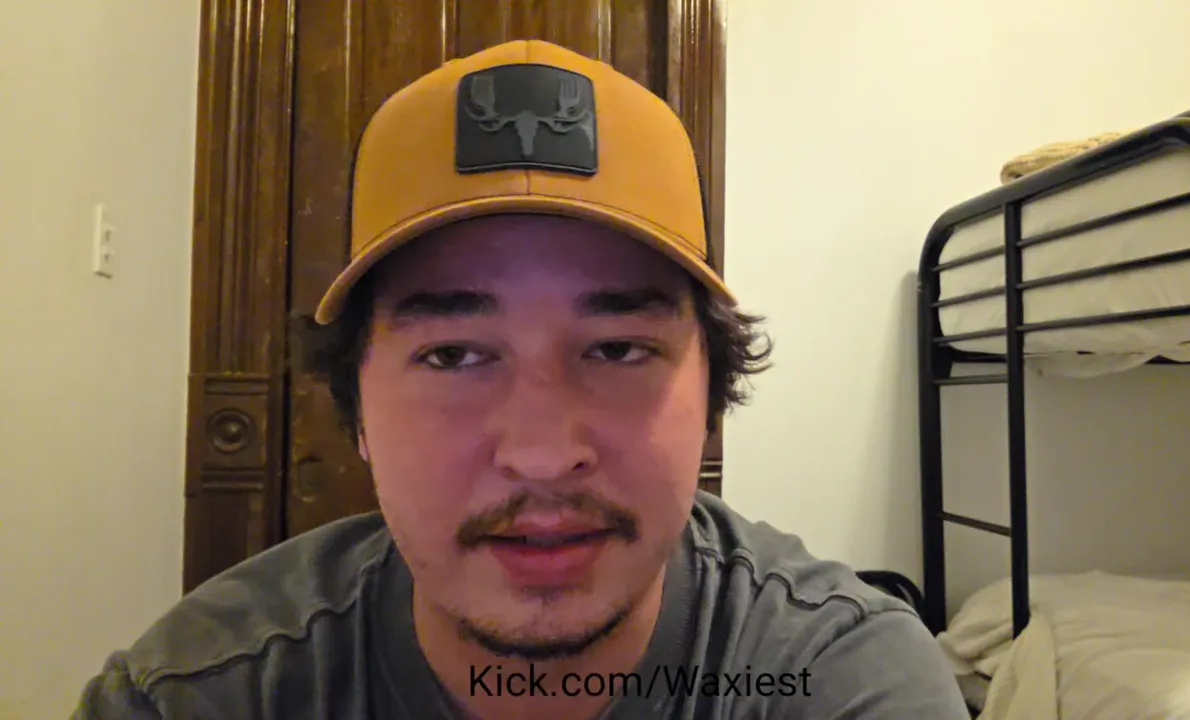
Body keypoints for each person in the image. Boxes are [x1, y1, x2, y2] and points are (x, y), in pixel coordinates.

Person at [72, 40, 968, 719]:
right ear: (357, 413)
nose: (543, 455)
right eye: (454, 355)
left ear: (711, 396)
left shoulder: (840, 680)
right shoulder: (197, 692)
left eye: (616, 349)